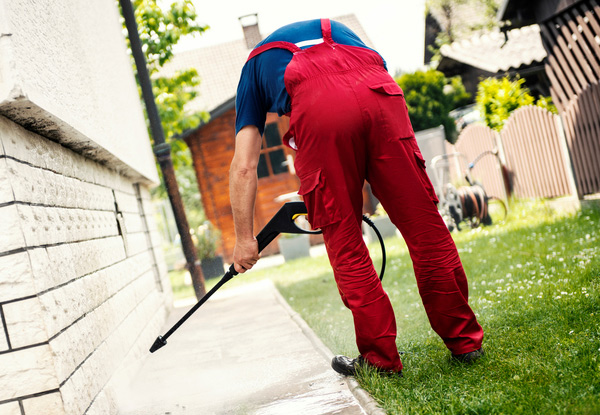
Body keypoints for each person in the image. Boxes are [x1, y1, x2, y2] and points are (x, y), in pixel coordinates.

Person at [229, 18, 484, 377]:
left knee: (346, 242)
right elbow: (369, 79)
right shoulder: (336, 29)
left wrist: (243, 239)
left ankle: (382, 361)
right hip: (381, 93)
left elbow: (243, 166)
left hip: (322, 110)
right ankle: (465, 342)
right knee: (425, 227)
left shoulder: (252, 71)